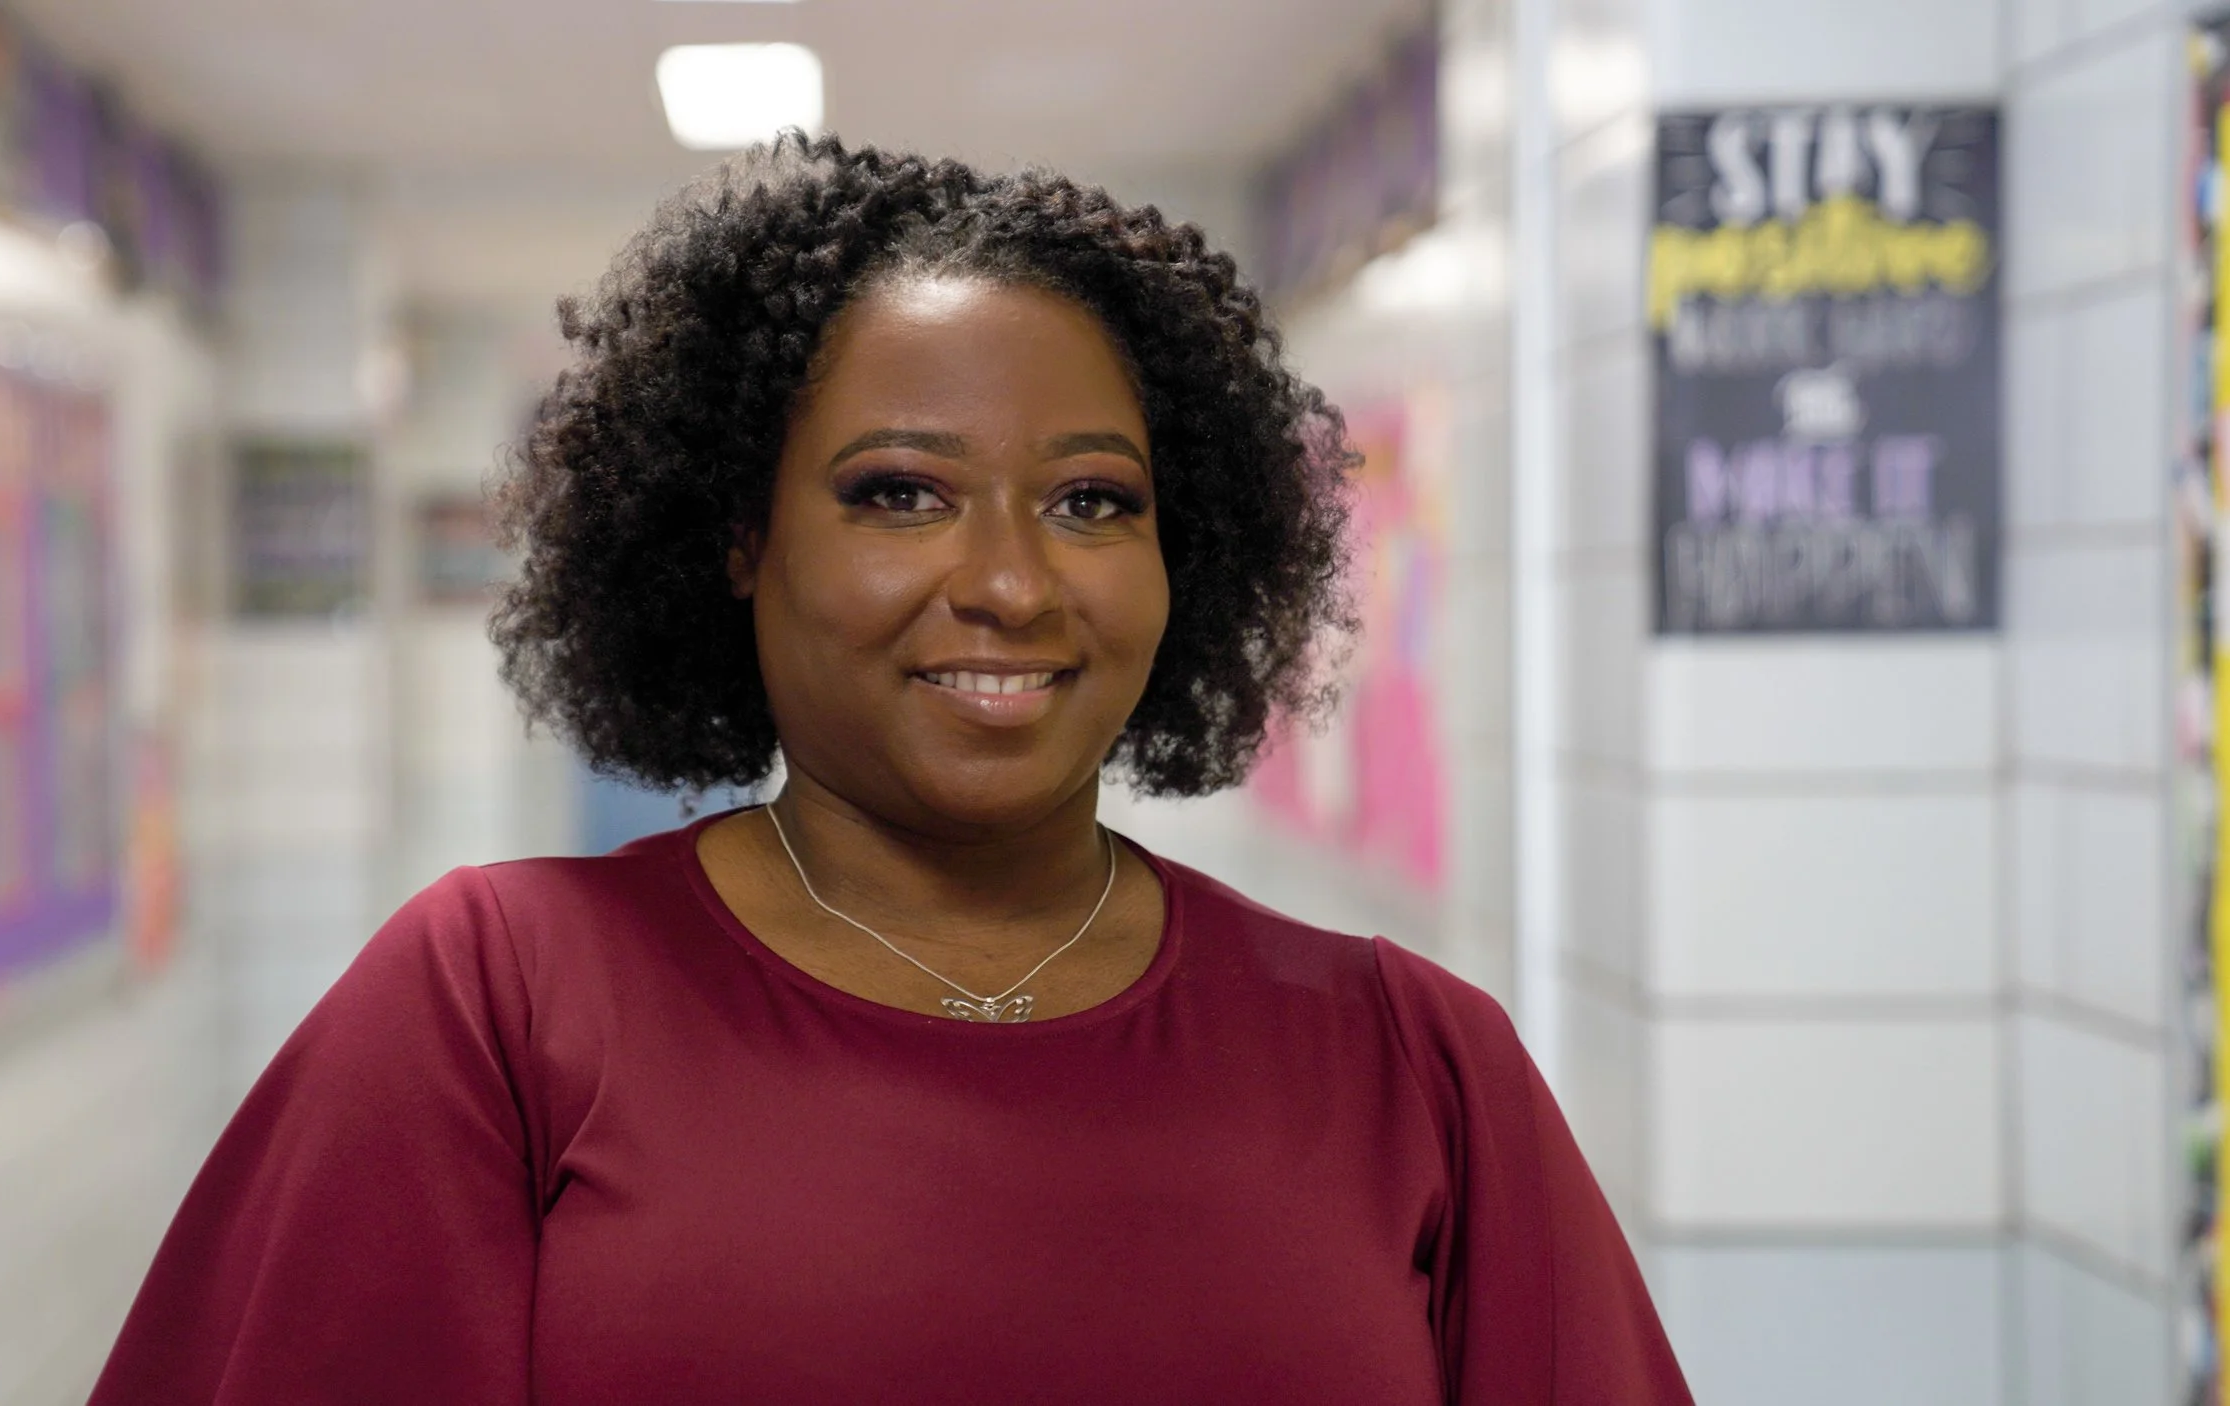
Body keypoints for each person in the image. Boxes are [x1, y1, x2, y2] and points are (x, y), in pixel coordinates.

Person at [91, 133, 1692, 1404]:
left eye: (1091, 502)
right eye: (900, 494)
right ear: (739, 538)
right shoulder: (500, 1005)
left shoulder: (1416, 1067)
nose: (1010, 581)